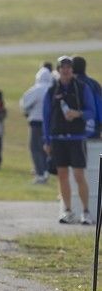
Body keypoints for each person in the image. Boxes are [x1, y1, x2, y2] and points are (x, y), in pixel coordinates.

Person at [43, 55, 96, 225]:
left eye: (69, 67)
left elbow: (91, 112)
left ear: (72, 70)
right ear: (58, 70)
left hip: (77, 137)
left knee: (79, 175)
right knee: (62, 175)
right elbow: (46, 116)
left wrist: (77, 114)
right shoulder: (52, 90)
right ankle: (67, 210)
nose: (66, 71)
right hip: (58, 138)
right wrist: (47, 140)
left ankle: (86, 211)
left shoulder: (81, 88)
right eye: (62, 68)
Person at [19, 65, 54, 183]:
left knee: (35, 148)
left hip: (36, 123)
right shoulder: (52, 88)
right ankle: (46, 171)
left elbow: (24, 103)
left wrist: (28, 111)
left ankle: (40, 173)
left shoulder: (36, 89)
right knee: (46, 147)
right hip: (50, 123)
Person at [72, 56, 102, 138]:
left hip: (76, 128)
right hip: (94, 127)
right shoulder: (94, 84)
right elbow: (100, 105)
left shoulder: (72, 84)